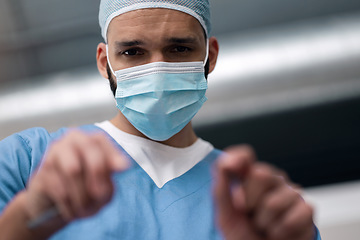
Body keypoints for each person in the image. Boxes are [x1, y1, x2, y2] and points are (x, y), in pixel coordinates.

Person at [0, 0, 321, 239]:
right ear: (104, 62)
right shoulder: (27, 160)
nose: (156, 70)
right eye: (133, 52)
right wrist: (28, 215)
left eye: (179, 49)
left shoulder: (257, 202)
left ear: (210, 57)